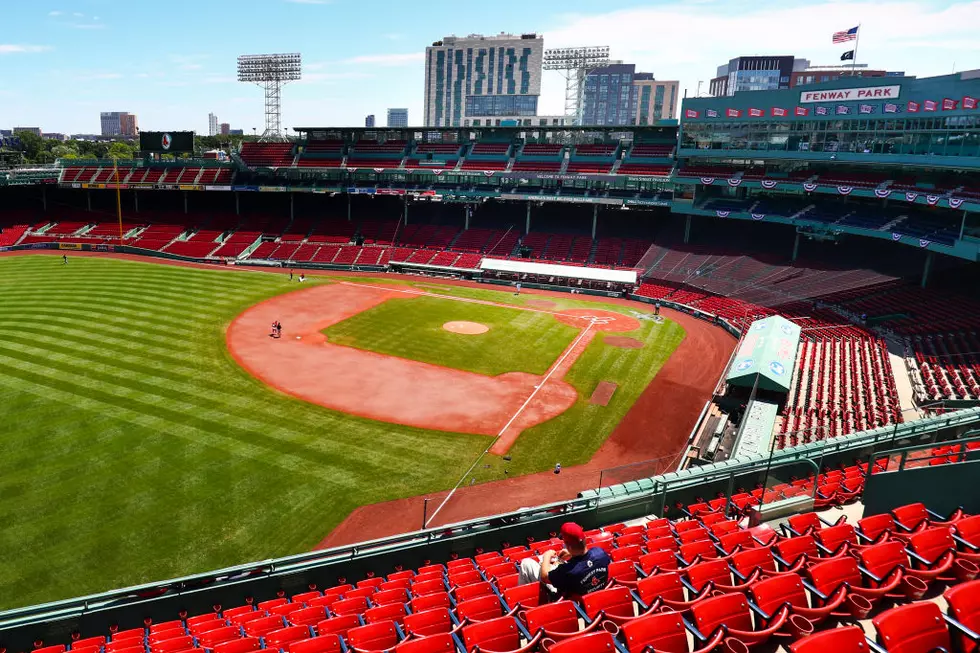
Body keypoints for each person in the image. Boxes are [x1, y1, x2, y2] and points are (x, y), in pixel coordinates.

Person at [518, 522, 610, 601]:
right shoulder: (600, 553)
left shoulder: (569, 571)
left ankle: (522, 599)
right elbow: (587, 561)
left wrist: (547, 556)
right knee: (556, 563)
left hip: (567, 600)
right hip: (595, 597)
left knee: (526, 563)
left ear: (568, 546)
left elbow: (544, 577)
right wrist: (571, 555)